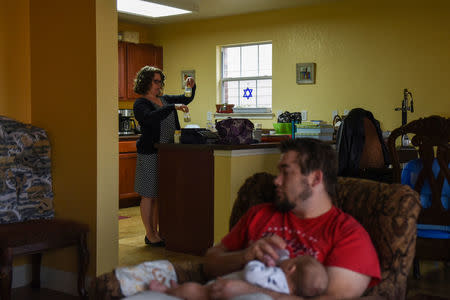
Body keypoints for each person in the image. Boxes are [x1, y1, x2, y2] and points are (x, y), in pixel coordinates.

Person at [202, 138, 381, 299]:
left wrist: (247, 291)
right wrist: (244, 256)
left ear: (315, 178)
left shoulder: (349, 236)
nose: (276, 181)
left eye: (286, 173)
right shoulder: (259, 214)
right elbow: (209, 264)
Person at [133, 66, 196, 246]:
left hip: (167, 152)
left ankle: (158, 232)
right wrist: (171, 107)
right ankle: (150, 234)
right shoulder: (141, 104)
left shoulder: (165, 99)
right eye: (156, 81)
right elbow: (149, 118)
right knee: (148, 194)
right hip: (150, 152)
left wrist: (190, 86)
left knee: (161, 194)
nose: (159, 85)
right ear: (146, 82)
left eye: (161, 81)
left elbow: (186, 98)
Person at [148, 253, 328, 300]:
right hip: (224, 289)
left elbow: (252, 273)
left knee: (194, 290)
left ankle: (168, 291)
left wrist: (260, 261)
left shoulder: (276, 276)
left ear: (291, 269)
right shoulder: (288, 291)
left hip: (215, 292)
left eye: (292, 260)